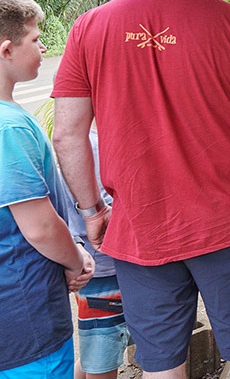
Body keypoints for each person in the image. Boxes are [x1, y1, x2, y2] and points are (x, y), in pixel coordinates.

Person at [51, 0, 230, 378]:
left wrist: (93, 211)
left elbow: (66, 135)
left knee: (160, 362)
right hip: (229, 221)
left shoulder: (90, 26)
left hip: (140, 226)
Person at [0, 0, 95, 377]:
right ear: (7, 50)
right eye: (36, 39)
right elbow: (38, 227)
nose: (43, 47)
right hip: (25, 318)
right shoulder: (9, 127)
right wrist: (77, 259)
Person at [60, 129, 130, 379]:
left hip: (99, 269)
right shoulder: (95, 144)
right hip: (104, 271)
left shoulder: (84, 141)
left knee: (96, 353)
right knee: (101, 358)